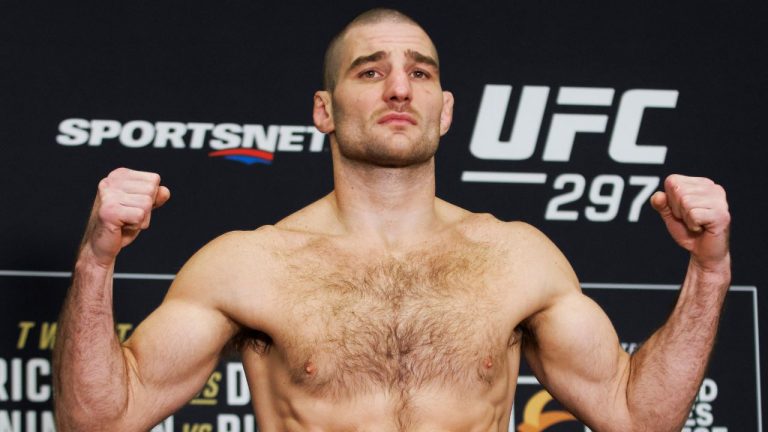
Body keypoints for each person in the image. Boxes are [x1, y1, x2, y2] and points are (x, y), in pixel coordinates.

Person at [52, 8, 731, 432]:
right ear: (324, 110)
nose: (400, 87)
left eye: (421, 73)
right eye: (370, 72)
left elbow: (638, 415)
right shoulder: (249, 265)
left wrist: (708, 271)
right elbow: (98, 421)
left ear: (446, 109)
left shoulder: (517, 258)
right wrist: (96, 260)